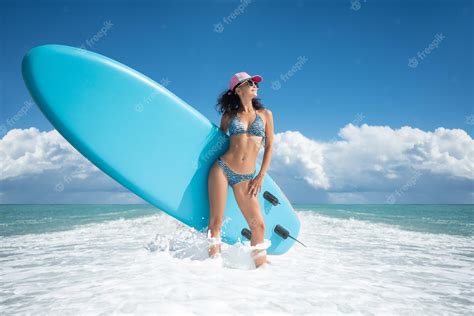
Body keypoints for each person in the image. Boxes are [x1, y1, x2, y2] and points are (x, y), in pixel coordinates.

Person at [207, 71, 274, 268]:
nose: (255, 85)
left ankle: (261, 271)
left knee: (258, 226)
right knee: (216, 222)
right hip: (222, 168)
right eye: (250, 82)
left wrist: (260, 175)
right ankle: (211, 269)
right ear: (238, 89)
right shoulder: (229, 116)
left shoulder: (265, 115)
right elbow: (217, 142)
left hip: (246, 177)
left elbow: (269, 145)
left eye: (256, 83)